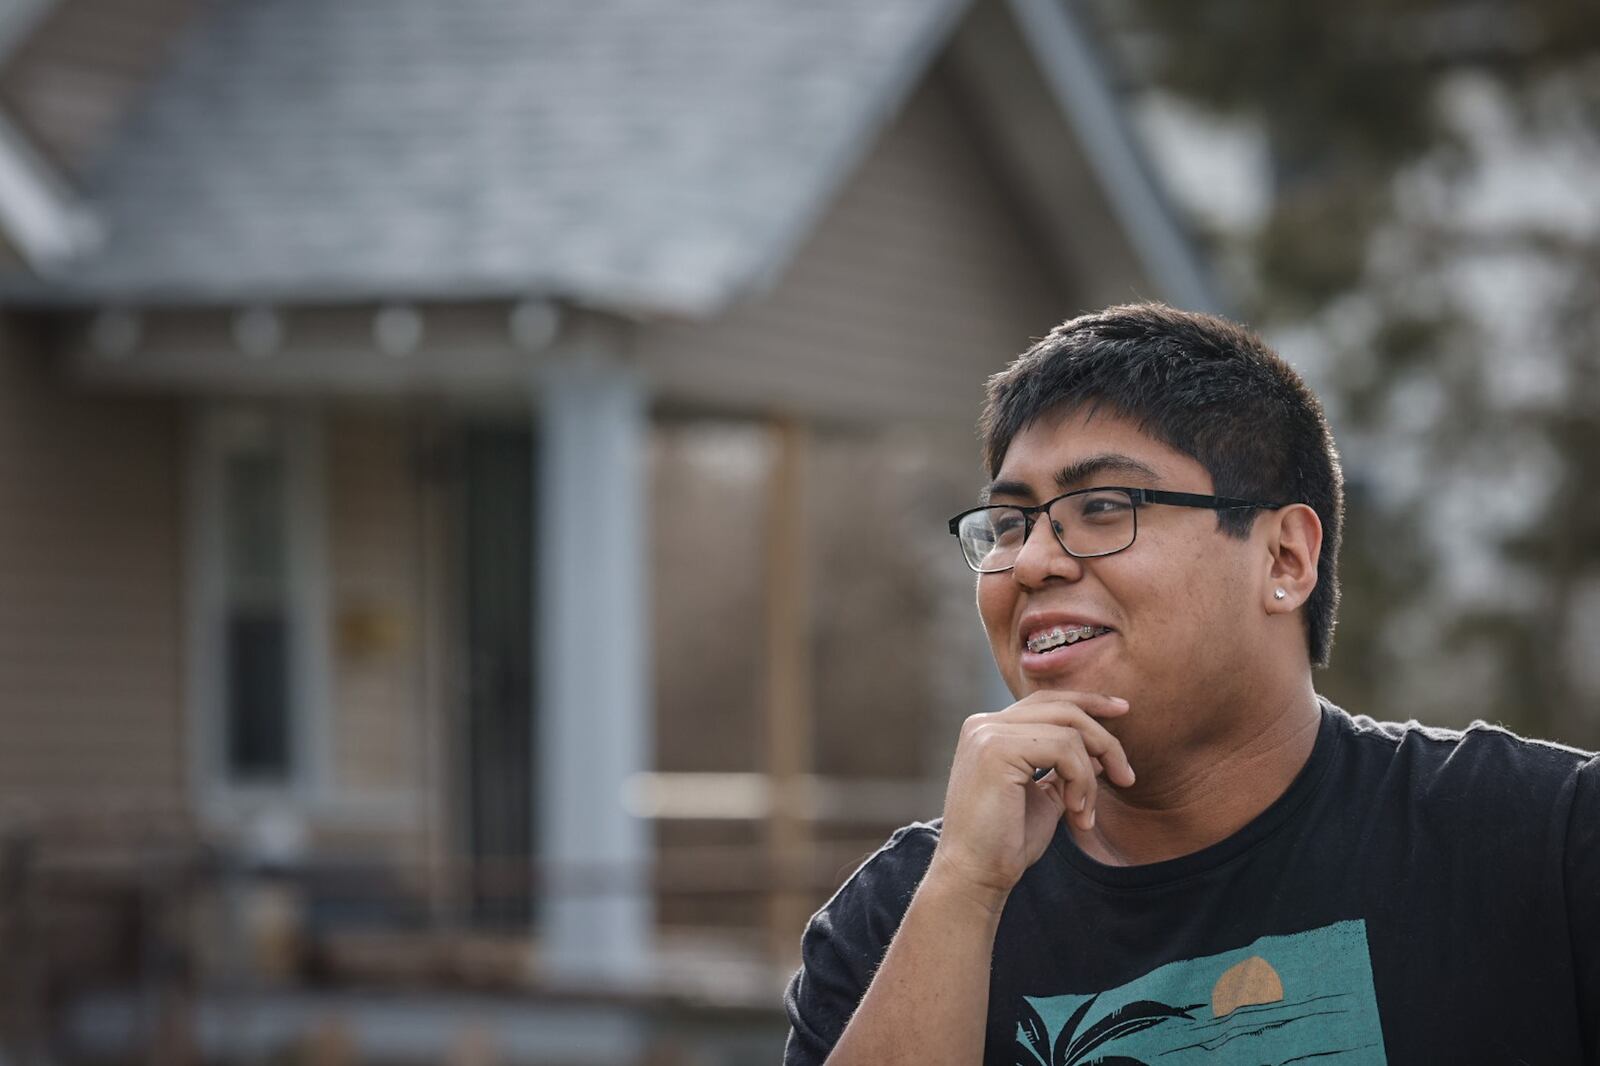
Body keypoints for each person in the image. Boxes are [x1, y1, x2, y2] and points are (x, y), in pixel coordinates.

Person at [783, 303, 1600, 1064]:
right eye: (1009, 521)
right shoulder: (901, 918)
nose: (1030, 560)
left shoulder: (1542, 845)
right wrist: (967, 889)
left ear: (1284, 559)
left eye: (1103, 506)